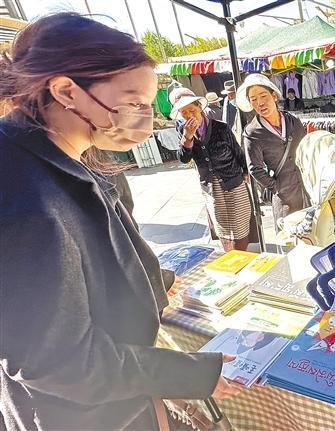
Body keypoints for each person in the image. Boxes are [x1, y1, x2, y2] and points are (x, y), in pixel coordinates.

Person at [0, 13, 239, 430]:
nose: (145, 117)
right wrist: (190, 374)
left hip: (117, 400)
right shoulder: (25, 199)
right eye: (133, 102)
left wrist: (154, 279)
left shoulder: (59, 152)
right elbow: (57, 361)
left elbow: (90, 259)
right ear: (66, 91)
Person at [174, 89, 252, 252]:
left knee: (239, 224)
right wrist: (188, 137)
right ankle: (231, 255)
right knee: (222, 225)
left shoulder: (220, 128)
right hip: (210, 186)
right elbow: (184, 159)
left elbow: (237, 151)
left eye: (192, 110)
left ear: (200, 107)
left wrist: (245, 171)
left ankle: (242, 255)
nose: (189, 115)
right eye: (184, 113)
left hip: (233, 180)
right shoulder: (183, 131)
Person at [240, 73, 309, 229]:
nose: (260, 103)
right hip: (284, 198)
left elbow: (307, 148)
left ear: (274, 96)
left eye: (263, 96)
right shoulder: (252, 133)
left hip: (307, 188)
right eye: (253, 99)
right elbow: (255, 169)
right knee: (289, 236)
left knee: (313, 235)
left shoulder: (292, 121)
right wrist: (277, 187)